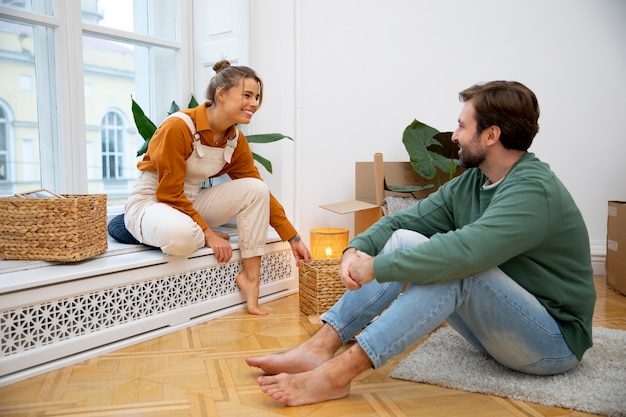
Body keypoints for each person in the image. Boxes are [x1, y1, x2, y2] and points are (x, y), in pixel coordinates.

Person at [245, 80, 596, 405]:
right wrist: (359, 249)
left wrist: (376, 268)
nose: (455, 136)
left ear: (491, 135)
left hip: (552, 343)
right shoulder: (474, 181)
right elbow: (404, 220)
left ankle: (338, 374)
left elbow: (465, 253)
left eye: (462, 125)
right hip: (504, 327)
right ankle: (321, 346)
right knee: (403, 239)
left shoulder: (532, 190)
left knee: (459, 270)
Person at [122, 60, 311, 315]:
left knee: (255, 189)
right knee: (183, 237)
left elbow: (260, 192)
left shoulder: (235, 139)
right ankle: (139, 227)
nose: (254, 103)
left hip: (190, 201)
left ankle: (251, 282)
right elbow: (168, 193)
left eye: (257, 97)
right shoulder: (178, 127)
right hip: (154, 201)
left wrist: (293, 237)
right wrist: (209, 234)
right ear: (221, 94)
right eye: (247, 95)